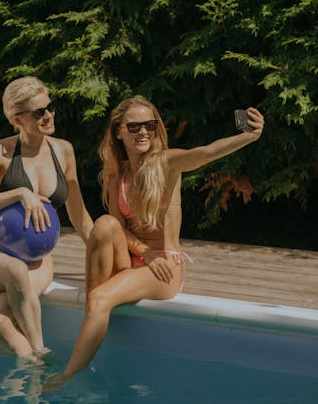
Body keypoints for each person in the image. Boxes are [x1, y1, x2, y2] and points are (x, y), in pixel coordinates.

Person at [48, 97, 264, 386]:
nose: (143, 133)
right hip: (138, 257)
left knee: (99, 297)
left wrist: (248, 137)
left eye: (150, 125)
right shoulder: (117, 175)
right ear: (119, 131)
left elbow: (207, 152)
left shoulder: (167, 162)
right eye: (134, 126)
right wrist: (144, 252)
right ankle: (96, 319)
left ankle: (68, 376)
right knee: (104, 224)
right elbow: (117, 231)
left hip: (164, 264)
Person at [0, 76, 94, 360]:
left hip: (37, 255)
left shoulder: (64, 150)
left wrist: (107, 258)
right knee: (15, 271)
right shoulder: (0, 151)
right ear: (16, 117)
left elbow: (80, 215)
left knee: (0, 320)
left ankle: (26, 381)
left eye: (50, 107)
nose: (48, 115)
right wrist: (19, 193)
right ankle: (40, 352)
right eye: (39, 112)